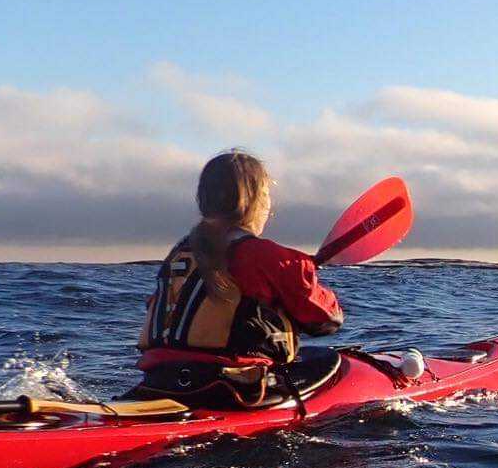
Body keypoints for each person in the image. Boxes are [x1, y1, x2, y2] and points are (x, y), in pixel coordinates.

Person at [137, 150, 344, 407]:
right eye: (267, 195)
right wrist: (303, 276)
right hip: (228, 390)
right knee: (330, 362)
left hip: (159, 381)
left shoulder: (180, 253)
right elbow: (325, 321)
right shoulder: (268, 257)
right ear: (253, 201)